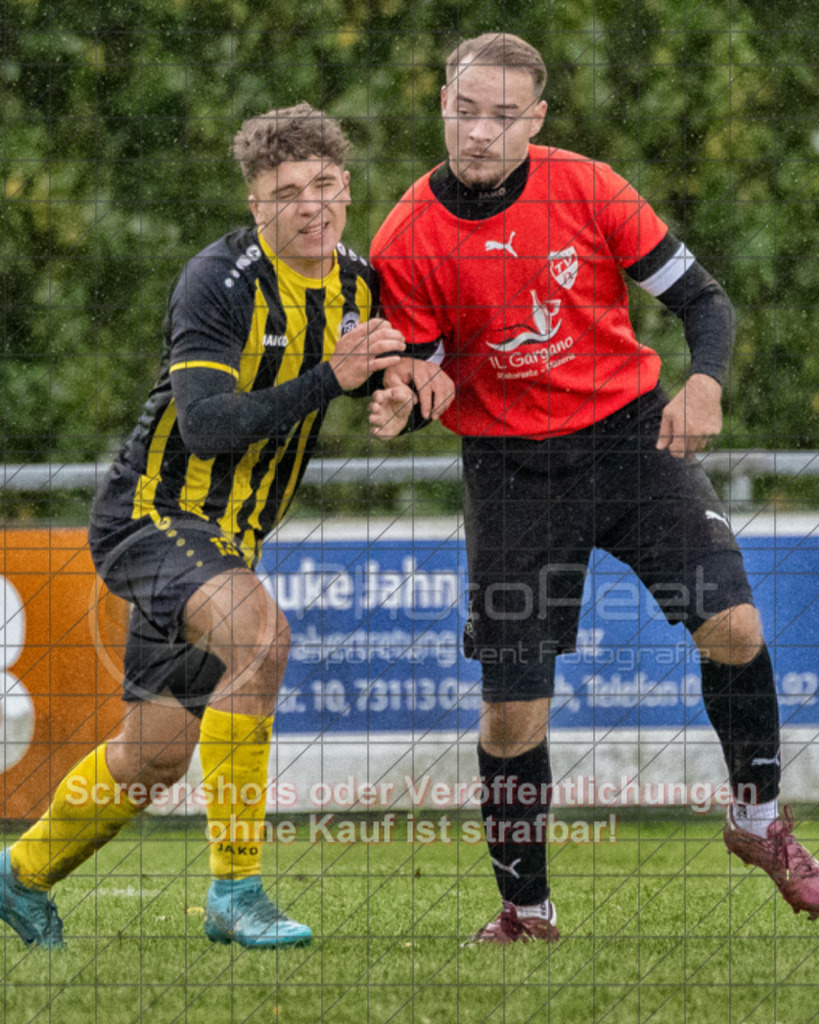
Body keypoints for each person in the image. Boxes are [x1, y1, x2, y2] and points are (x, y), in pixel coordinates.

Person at [369, 32, 819, 944]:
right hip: (508, 472)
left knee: (733, 626)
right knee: (510, 712)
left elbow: (705, 301)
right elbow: (422, 374)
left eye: (504, 116)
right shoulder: (406, 234)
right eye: (467, 111)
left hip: (628, 439)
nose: (481, 132)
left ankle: (758, 817)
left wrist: (705, 382)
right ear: (442, 106)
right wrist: (410, 398)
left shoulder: (588, 186)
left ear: (534, 120)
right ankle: (526, 912)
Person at [0, 103, 415, 950]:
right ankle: (237, 894)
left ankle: (18, 878)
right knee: (260, 638)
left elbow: (385, 378)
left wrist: (400, 402)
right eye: (286, 191)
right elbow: (207, 426)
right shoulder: (217, 281)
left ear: (347, 186)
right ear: (255, 203)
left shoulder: (358, 281)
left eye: (326, 184)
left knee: (152, 757)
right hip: (153, 515)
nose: (312, 204)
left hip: (229, 538)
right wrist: (330, 381)